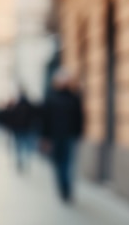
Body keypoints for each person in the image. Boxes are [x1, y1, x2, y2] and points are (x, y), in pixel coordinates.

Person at [42, 68, 84, 203]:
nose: (63, 82)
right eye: (61, 79)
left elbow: (80, 117)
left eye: (65, 79)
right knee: (57, 163)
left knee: (67, 163)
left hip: (69, 135)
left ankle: (67, 190)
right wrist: (45, 137)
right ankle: (61, 187)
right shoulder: (51, 96)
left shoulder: (74, 96)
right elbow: (45, 119)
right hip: (55, 136)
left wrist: (79, 133)